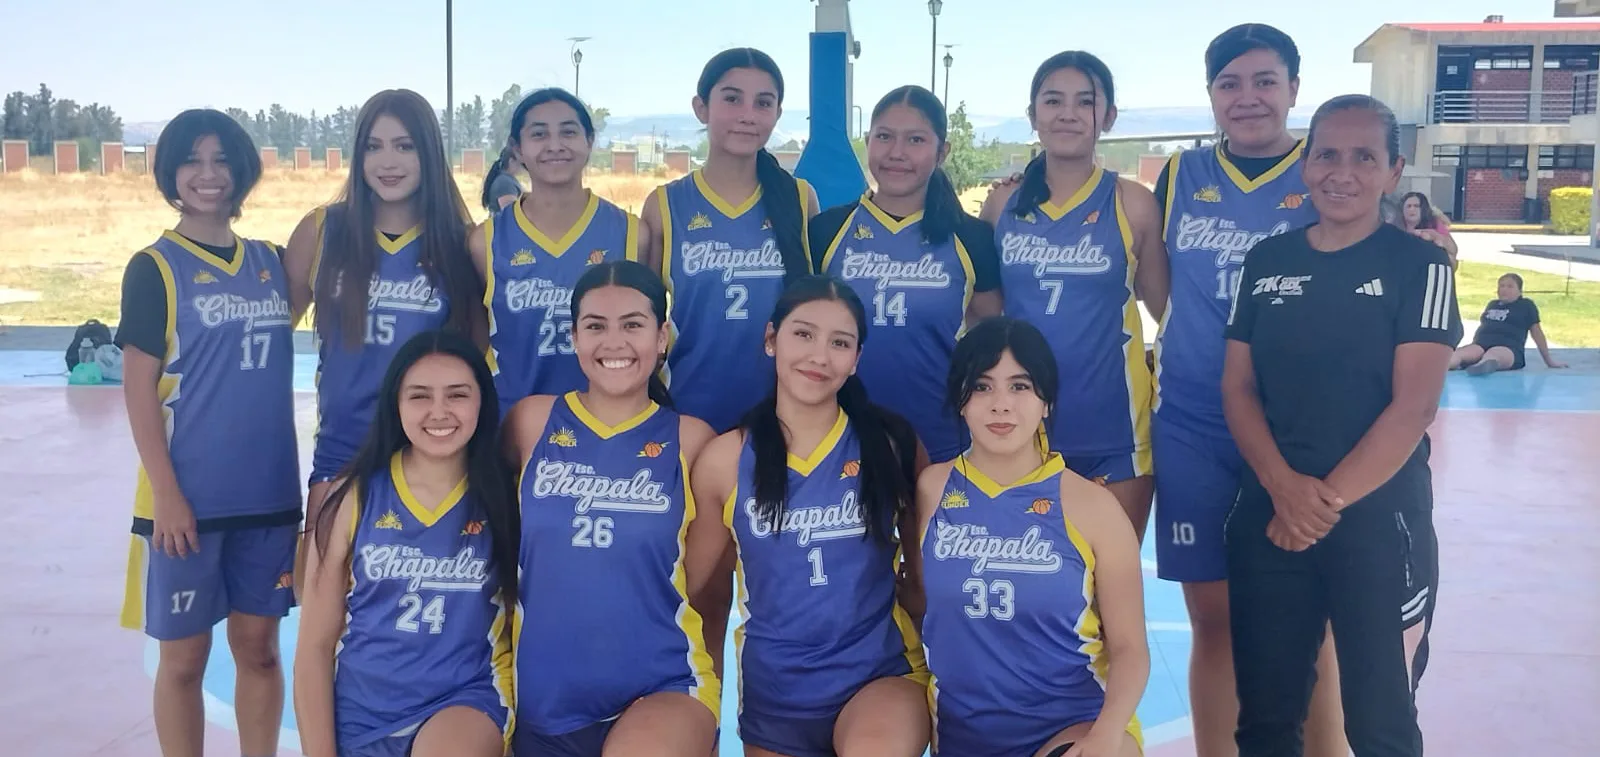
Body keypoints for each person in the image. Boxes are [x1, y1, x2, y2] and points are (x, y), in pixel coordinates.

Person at [1221, 94, 1460, 757]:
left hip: (1379, 523)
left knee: (1380, 723)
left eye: (1364, 156)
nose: (1342, 171)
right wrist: (1282, 487)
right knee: (1265, 722)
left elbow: (1413, 407)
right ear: (1306, 161)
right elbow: (1237, 387)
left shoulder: (1422, 266)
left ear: (1393, 170)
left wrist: (1318, 504)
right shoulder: (1266, 262)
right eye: (1327, 153)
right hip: (1269, 514)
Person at [1144, 24, 1348, 757]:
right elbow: (1160, 284)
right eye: (1229, 84)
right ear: (1210, 96)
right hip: (1195, 423)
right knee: (1215, 618)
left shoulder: (1326, 172)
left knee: (1308, 615)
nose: (1248, 97)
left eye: (1265, 81)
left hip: (1297, 428)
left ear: (1295, 89)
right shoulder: (1180, 174)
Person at [114, 109, 299, 757]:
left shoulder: (274, 263)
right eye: (192, 161)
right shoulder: (154, 268)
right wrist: (166, 492)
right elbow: (137, 388)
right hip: (185, 502)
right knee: (185, 659)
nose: (208, 174)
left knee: (259, 650)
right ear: (171, 174)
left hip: (269, 499)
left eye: (222, 160)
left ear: (243, 170)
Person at [685, 275, 932, 757]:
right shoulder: (725, 461)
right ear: (771, 339)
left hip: (879, 674)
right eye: (803, 334)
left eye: (840, 343)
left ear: (856, 359)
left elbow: (924, 577)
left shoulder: (890, 445)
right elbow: (698, 593)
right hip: (776, 695)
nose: (820, 356)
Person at [502, 260, 720, 756]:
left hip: (662, 685)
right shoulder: (530, 423)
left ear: (662, 336)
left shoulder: (692, 440)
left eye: (633, 325)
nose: (614, 342)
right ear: (574, 337)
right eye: (596, 326)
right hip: (546, 700)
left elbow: (701, 584)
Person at [914, 316, 1147, 757]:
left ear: (1046, 402)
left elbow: (1131, 649)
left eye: (1020, 386)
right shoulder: (933, 489)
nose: (1001, 404)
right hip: (964, 735)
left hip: (1072, 728)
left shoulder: (1094, 508)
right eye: (982, 386)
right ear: (960, 401)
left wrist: (1105, 735)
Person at [283, 89, 483, 585]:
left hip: (429, 458)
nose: (388, 161)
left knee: (413, 619)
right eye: (373, 147)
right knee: (325, 616)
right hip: (340, 454)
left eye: (405, 146)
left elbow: (480, 359)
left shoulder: (461, 242)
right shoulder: (322, 231)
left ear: (429, 155)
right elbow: (267, 332)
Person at [293, 330, 518, 757]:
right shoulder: (352, 495)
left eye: (457, 395)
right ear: (395, 405)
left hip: (464, 700)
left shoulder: (509, 497)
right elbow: (314, 648)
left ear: (482, 402)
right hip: (360, 711)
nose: (439, 411)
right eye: (419, 396)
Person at [980, 51, 1169, 538]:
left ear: (1107, 116)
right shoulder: (1002, 203)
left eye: (1084, 101)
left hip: (1114, 427)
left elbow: (1167, 310)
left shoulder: (1133, 202)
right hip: (1018, 422)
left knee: (1112, 593)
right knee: (1031, 591)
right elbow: (984, 314)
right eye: (1053, 100)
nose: (1067, 113)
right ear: (1033, 115)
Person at [812, 85, 1003, 463]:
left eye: (915, 139)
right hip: (838, 436)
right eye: (884, 137)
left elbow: (988, 331)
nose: (897, 153)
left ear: (942, 151)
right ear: (868, 142)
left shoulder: (970, 237)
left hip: (941, 437)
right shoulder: (826, 231)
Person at [641, 47, 821, 433]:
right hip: (688, 412)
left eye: (763, 103)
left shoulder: (800, 199)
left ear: (776, 113)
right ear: (701, 107)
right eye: (732, 98)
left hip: (784, 415)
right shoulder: (664, 205)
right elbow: (641, 319)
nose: (747, 115)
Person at [472, 87, 639, 416]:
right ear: (517, 149)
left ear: (589, 141)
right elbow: (478, 341)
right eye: (539, 134)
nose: (555, 145)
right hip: (512, 431)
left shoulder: (632, 234)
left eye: (568, 131)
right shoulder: (484, 242)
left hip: (608, 427)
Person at [1449, 272, 1566, 374]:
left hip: (1508, 348)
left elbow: (1537, 333)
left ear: (1520, 291)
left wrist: (1549, 361)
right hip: (1481, 345)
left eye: (1510, 286)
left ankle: (1483, 365)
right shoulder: (1492, 304)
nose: (1504, 289)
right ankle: (1443, 365)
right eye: (1501, 286)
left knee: (1493, 354)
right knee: (1462, 353)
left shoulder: (1526, 305)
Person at [1395, 192, 1457, 269]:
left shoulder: (1434, 224)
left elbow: (1453, 250)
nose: (1412, 209)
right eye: (1408, 206)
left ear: (1423, 209)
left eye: (1416, 206)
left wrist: (1435, 236)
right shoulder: (1395, 227)